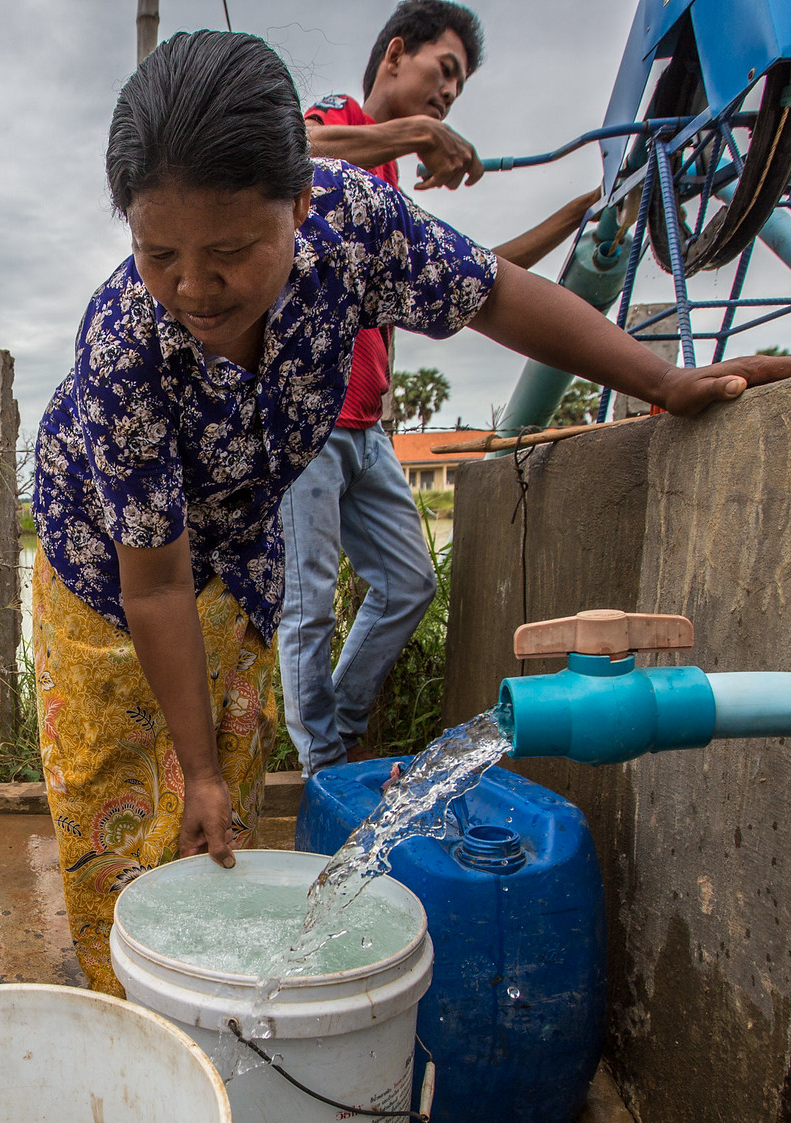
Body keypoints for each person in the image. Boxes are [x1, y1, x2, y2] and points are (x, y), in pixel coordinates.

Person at [30, 30, 791, 995]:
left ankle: (209, 1000)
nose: (194, 287)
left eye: (229, 251)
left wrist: (661, 380)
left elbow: (495, 294)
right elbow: (153, 584)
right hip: (108, 572)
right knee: (122, 810)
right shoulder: (126, 341)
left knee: (220, 808)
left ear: (301, 203)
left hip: (237, 554)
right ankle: (127, 1010)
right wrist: (189, 769)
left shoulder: (354, 228)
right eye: (160, 253)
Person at [282, 0, 601, 774]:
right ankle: (324, 763)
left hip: (367, 430)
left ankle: (337, 730)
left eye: (459, 88)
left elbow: (471, 276)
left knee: (409, 582)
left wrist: (575, 214)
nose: (450, 93)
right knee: (308, 605)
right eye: (445, 70)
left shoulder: (390, 181)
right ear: (396, 54)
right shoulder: (340, 119)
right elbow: (288, 150)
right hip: (310, 422)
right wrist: (418, 133)